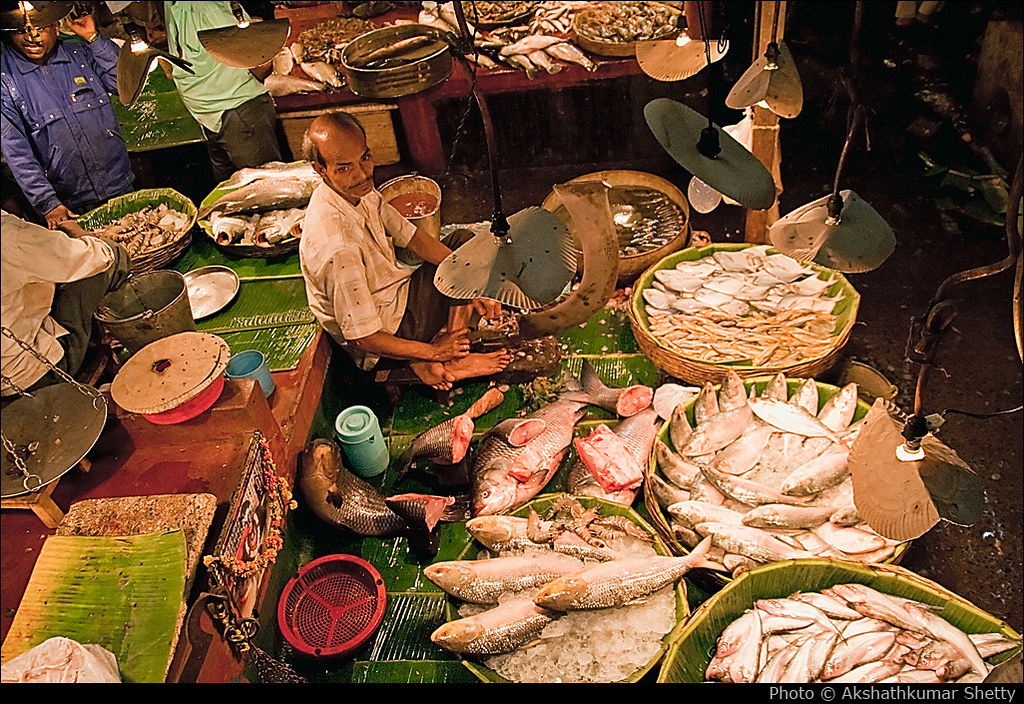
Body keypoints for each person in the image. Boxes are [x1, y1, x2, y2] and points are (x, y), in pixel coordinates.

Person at [299, 112, 511, 391]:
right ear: (320, 169)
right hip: (386, 330)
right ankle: (450, 357)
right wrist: (434, 352)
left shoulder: (356, 191)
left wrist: (475, 285)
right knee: (463, 265)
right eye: (344, 167)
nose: (362, 173)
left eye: (365, 158)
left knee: (463, 245)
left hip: (396, 294)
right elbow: (363, 338)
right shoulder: (338, 248)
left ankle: (445, 344)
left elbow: (414, 238)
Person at [1, 4, 135, 229]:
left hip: (119, 185)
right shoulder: (6, 80)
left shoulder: (80, 52)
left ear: (56, 26)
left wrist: (93, 37)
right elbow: (16, 150)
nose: (31, 38)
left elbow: (125, 84)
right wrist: (47, 203)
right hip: (69, 206)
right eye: (20, 31)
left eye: (40, 28)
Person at [1, 210, 131, 396]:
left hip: (6, 385)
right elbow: (97, 257)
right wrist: (79, 233)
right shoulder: (7, 235)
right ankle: (119, 334)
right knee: (114, 256)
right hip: (40, 373)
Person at [162, 1, 283, 183]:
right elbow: (261, 63)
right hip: (226, 117)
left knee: (265, 191)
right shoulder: (208, 8)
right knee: (244, 193)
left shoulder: (182, 5)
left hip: (235, 113)